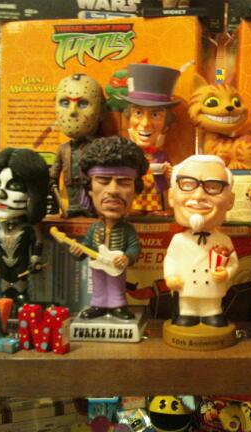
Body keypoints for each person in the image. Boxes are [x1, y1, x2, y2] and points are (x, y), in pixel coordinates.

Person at [68, 136, 149, 320]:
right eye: (103, 180)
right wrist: (78, 251)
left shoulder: (127, 230)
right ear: (89, 189)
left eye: (124, 182)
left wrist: (127, 257)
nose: (113, 190)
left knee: (116, 283)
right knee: (98, 282)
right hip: (98, 264)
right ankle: (98, 303)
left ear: (136, 190)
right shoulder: (94, 228)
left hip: (117, 267)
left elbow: (134, 247)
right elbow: (87, 246)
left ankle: (117, 304)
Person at [164, 155, 239, 327]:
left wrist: (227, 273)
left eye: (213, 187)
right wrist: (170, 276)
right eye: (187, 185)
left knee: (212, 304)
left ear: (230, 201)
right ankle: (188, 313)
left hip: (212, 287)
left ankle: (212, 312)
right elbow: (171, 259)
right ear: (171, 197)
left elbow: (233, 261)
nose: (198, 196)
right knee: (187, 306)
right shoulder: (179, 240)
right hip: (186, 286)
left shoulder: (223, 240)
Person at [0, 148, 49, 307]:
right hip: (3, 275)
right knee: (2, 300)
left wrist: (35, 260)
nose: (0, 194)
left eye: (14, 186)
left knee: (21, 298)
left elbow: (38, 242)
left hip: (21, 274)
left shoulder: (29, 229)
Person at [118, 63, 179, 214]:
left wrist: (170, 174)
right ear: (128, 118)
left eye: (155, 114)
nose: (145, 124)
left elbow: (169, 183)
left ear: (166, 125)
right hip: (133, 203)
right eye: (138, 113)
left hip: (155, 203)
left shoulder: (161, 156)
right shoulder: (125, 154)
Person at [50, 74, 105, 218]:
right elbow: (56, 168)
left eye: (82, 104)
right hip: (70, 182)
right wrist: (52, 177)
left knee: (86, 198)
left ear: (101, 111)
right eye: (64, 103)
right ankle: (74, 208)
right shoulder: (63, 149)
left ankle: (88, 209)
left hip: (89, 185)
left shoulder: (98, 146)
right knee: (73, 197)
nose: (72, 111)